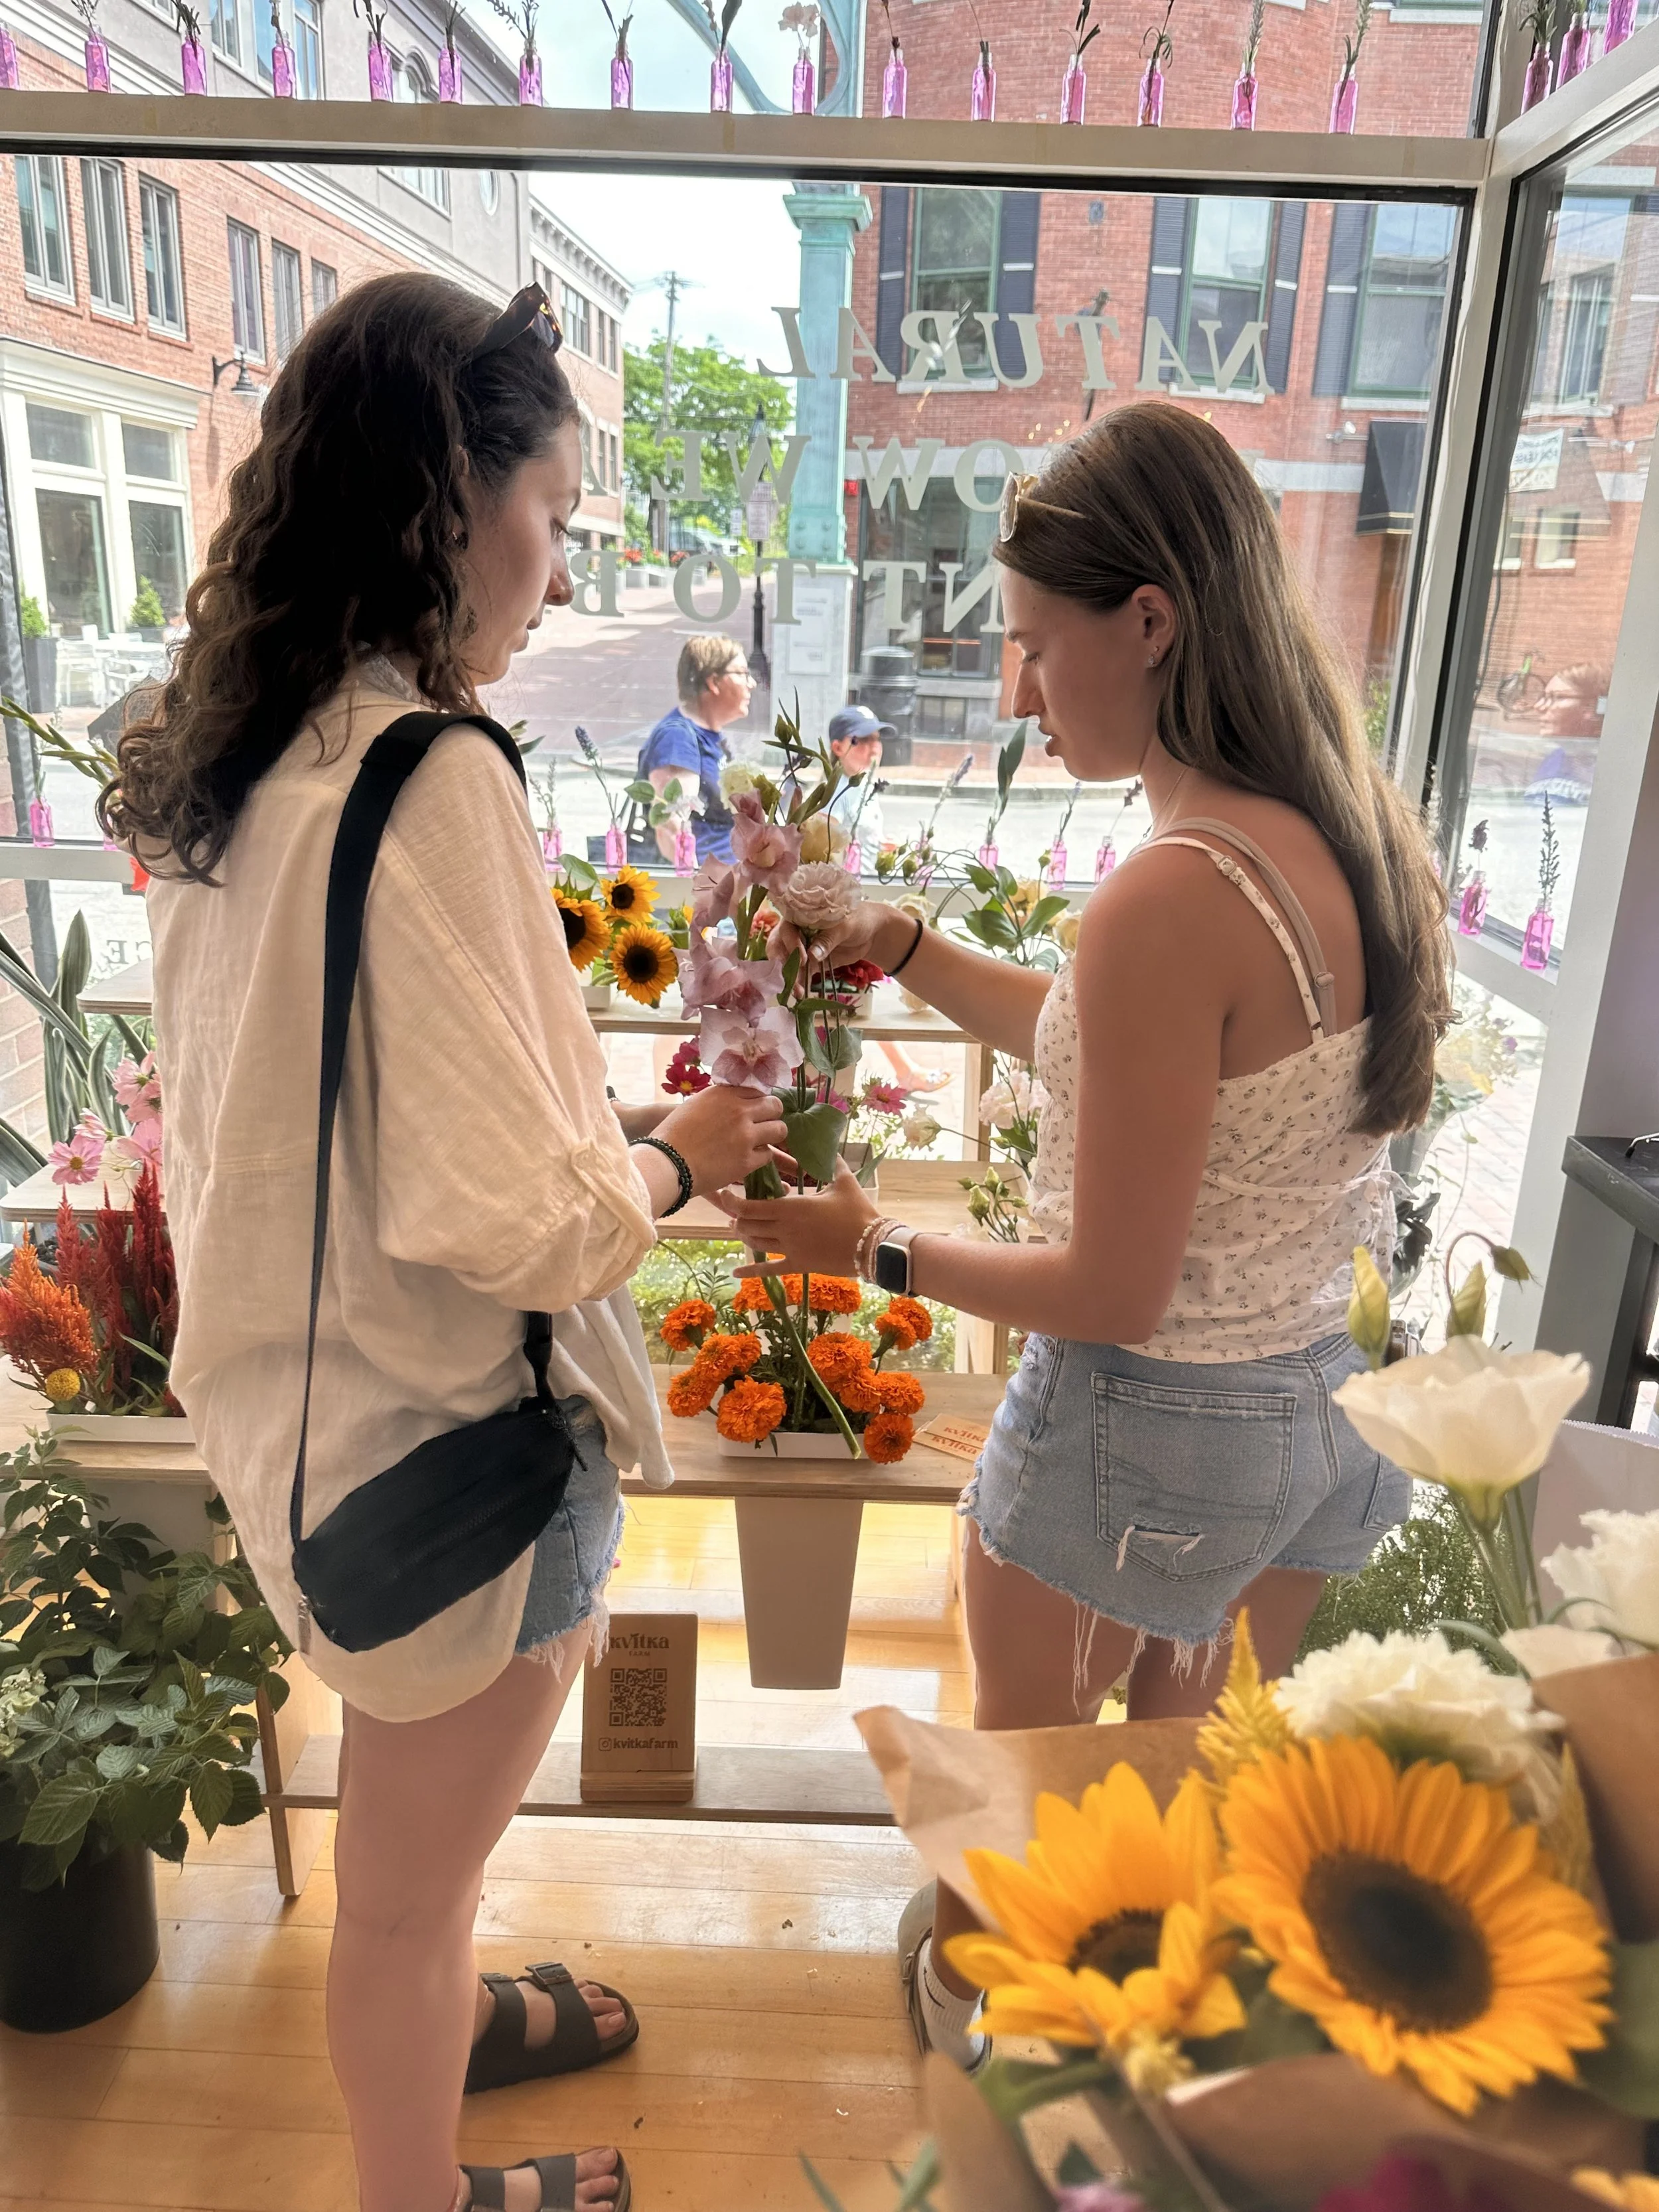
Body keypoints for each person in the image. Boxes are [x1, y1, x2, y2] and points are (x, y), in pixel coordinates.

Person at [104, 275, 785, 2212]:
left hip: (307, 1429)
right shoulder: (437, 772)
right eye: (549, 515)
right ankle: (425, 2172)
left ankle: (454, 1999)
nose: (554, 570)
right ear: (445, 499)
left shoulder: (252, 761)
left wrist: (611, 1142)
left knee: (417, 1852)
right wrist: (680, 1157)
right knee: (392, 1910)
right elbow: (519, 1218)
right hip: (452, 1469)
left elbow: (324, 1118)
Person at [715, 404, 1449, 2073]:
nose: (1016, 693)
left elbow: (1108, 1286)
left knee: (1031, 1802)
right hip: (1316, 1409)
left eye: (1039, 650)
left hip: (1144, 1415)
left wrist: (861, 1252)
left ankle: (1017, 2044)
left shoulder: (1165, 892)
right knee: (1179, 1778)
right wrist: (910, 943)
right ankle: (1141, 2047)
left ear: (1152, 619)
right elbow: (1141, 1057)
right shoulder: (1335, 833)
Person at [637, 633, 755, 865]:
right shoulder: (677, 739)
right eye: (743, 674)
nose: (752, 683)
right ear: (713, 682)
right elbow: (673, 830)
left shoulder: (711, 736)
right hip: (710, 888)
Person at [825, 703, 893, 848]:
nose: (875, 748)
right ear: (838, 748)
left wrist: (882, 844)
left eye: (877, 739)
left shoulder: (866, 783)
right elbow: (823, 850)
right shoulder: (835, 794)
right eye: (864, 740)